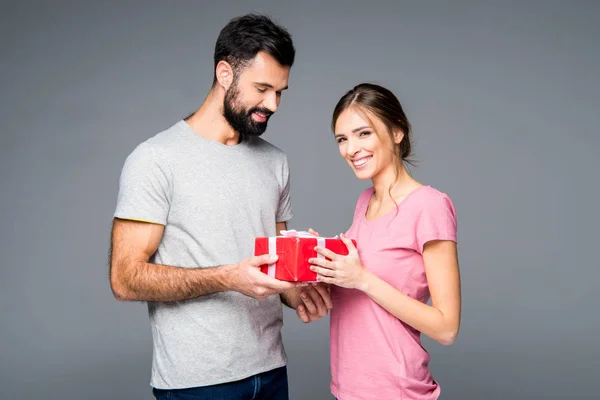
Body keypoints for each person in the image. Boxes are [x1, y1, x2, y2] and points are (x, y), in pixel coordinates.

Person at [109, 14, 332, 400]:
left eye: (280, 91)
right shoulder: (155, 159)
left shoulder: (274, 161)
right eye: (262, 88)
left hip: (272, 370)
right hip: (197, 383)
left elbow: (274, 266)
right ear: (225, 72)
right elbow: (125, 279)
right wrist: (228, 277)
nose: (273, 104)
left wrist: (300, 292)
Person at [308, 83, 461, 399]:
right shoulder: (365, 201)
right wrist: (318, 265)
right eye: (342, 139)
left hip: (396, 390)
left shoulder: (429, 205)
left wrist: (362, 278)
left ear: (397, 132)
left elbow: (446, 328)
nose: (351, 148)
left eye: (363, 133)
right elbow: (358, 296)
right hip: (349, 387)